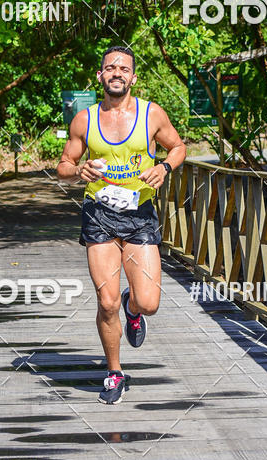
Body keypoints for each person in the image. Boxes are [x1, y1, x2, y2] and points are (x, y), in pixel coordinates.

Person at [57, 45, 186, 404]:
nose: (117, 72)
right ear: (100, 76)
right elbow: (64, 165)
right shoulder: (85, 119)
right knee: (107, 301)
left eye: (123, 68)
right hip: (98, 213)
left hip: (139, 215)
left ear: (133, 77)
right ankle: (114, 372)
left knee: (149, 303)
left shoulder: (151, 115)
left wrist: (163, 167)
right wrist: (77, 170)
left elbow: (178, 147)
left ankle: (134, 310)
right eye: (110, 67)